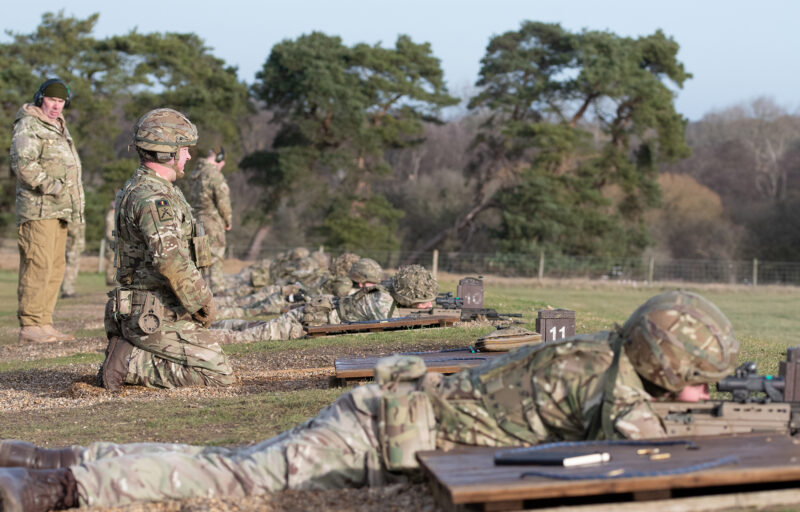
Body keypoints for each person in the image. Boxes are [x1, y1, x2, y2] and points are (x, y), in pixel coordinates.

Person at [0, 291, 738, 511]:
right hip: (380, 431)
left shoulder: (598, 351)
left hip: (388, 417)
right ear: (666, 361)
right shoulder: (606, 379)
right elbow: (647, 453)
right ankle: (56, 484)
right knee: (239, 483)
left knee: (231, 465)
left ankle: (49, 458)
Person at [97, 108, 235, 392]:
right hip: (150, 312)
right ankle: (130, 361)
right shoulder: (152, 197)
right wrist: (203, 302)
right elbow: (170, 260)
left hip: (160, 305)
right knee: (219, 375)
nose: (188, 156)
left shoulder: (157, 189)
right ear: (165, 153)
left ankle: (135, 350)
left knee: (213, 358)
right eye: (183, 150)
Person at [10, 78, 83, 343]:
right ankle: (30, 325)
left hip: (59, 209)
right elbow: (23, 163)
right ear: (41, 98)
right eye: (51, 100)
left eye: (61, 101)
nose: (55, 106)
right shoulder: (29, 124)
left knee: (55, 266)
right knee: (37, 264)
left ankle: (45, 322)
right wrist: (51, 186)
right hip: (38, 208)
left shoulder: (59, 126)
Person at [213, 263, 435, 342]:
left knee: (250, 328)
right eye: (422, 301)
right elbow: (396, 328)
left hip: (317, 311)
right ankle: (193, 335)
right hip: (310, 319)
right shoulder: (384, 303)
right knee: (243, 338)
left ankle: (208, 327)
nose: (426, 305)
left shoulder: (385, 292)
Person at [188, 147, 232, 294]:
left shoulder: (195, 174)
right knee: (216, 256)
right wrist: (228, 220)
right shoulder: (214, 175)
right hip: (212, 220)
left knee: (201, 258)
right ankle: (217, 290)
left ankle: (201, 291)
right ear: (218, 159)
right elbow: (222, 201)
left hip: (196, 220)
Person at [60, 216, 85, 300]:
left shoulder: (78, 215)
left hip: (76, 245)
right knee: (70, 266)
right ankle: (67, 290)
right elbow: (72, 231)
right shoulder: (72, 215)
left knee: (73, 266)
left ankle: (70, 289)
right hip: (72, 245)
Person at [102, 200, 116, 286]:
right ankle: (110, 279)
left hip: (115, 241)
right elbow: (109, 232)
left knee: (114, 260)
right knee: (111, 260)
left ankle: (113, 278)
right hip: (112, 242)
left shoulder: (113, 215)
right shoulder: (110, 215)